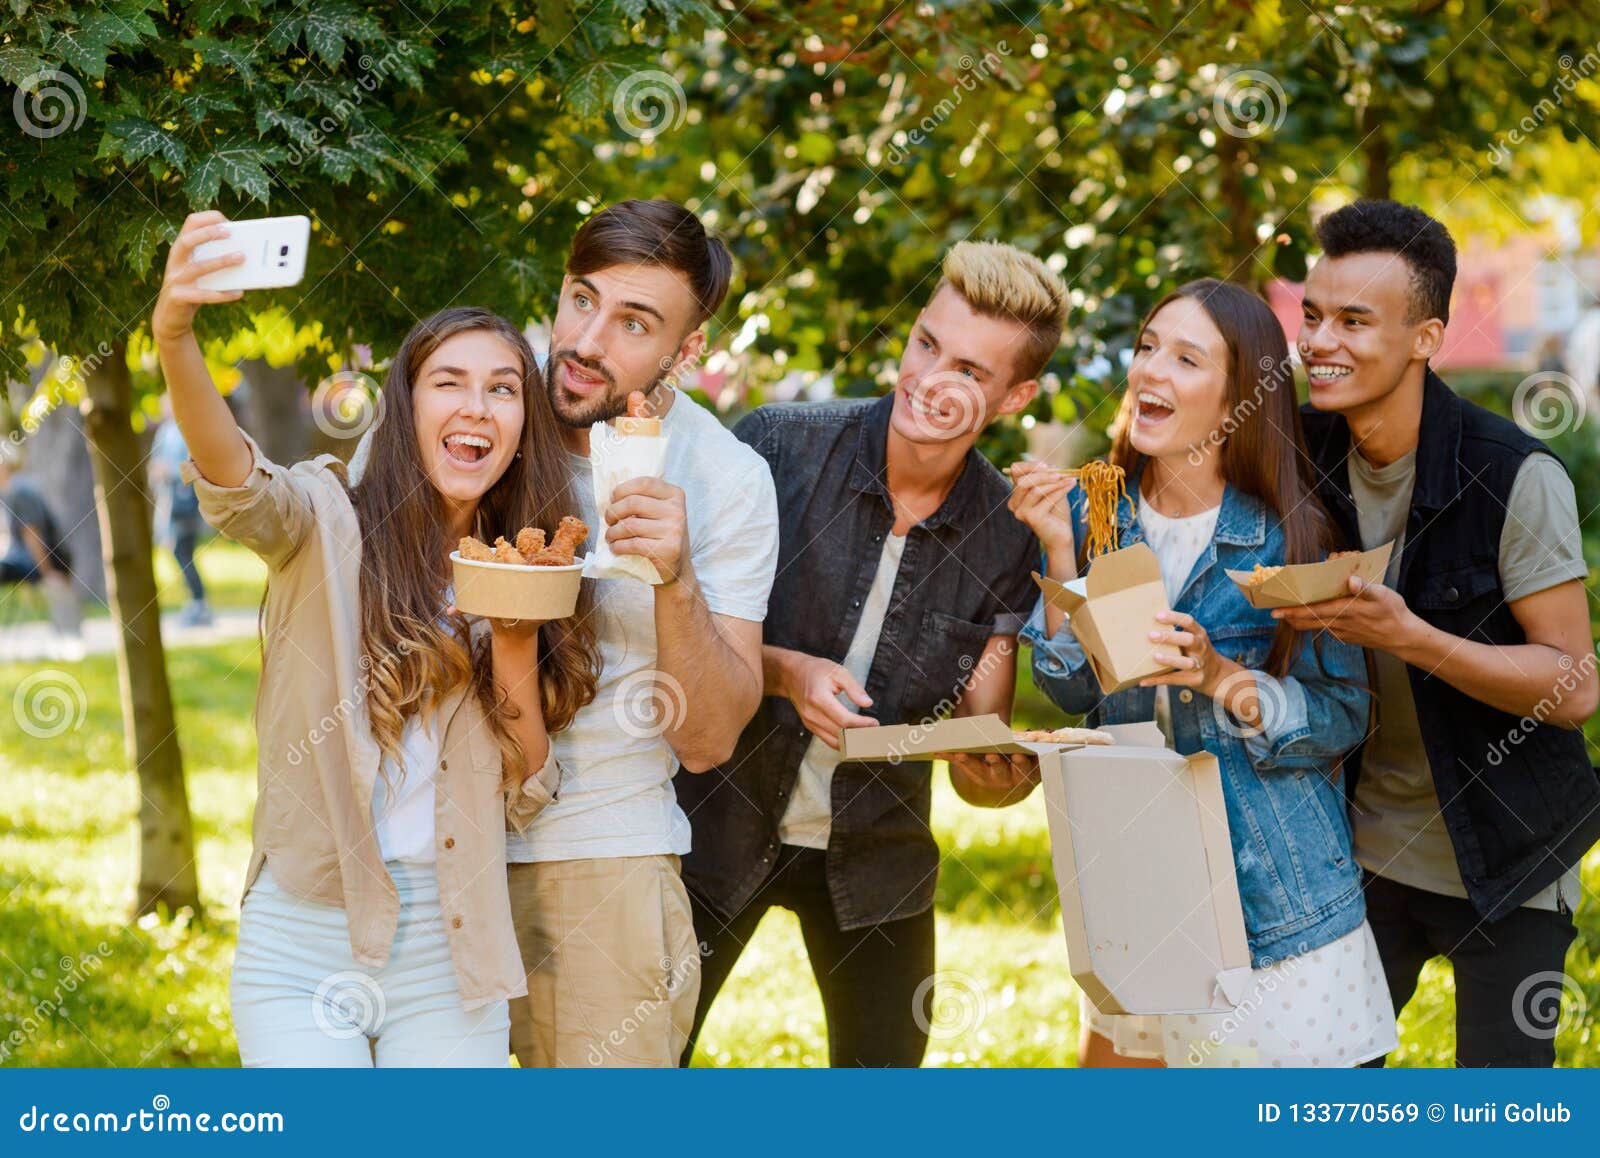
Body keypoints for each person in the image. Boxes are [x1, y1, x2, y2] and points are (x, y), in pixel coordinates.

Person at [154, 210, 600, 1066]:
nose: (477, 406)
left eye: (503, 388)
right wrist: (176, 334)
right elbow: (234, 480)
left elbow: (525, 786)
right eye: (449, 383)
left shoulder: (534, 566)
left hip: (451, 945)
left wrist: (511, 635)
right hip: (304, 937)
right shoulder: (326, 522)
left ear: (520, 427)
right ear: (406, 404)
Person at [678, 241, 1061, 1067]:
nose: (928, 380)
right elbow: (679, 625)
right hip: (712, 827)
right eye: (926, 343)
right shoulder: (777, 447)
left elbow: (976, 730)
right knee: (634, 1070)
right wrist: (788, 673)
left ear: (1015, 394)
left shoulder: (1006, 531)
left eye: (969, 369)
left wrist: (992, 771)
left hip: (877, 858)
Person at [1019, 278, 1393, 1068]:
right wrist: (1059, 550)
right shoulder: (1098, 517)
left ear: (1236, 403)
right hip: (1142, 890)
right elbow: (1072, 688)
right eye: (1149, 347)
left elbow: (1342, 717)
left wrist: (1224, 678)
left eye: (1186, 359)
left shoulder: (1293, 539)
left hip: (1273, 909)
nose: (1152, 370)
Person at [1281, 199, 1600, 1067]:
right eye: (1312, 316)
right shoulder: (1300, 455)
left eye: (1354, 321)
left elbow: (1574, 688)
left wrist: (1413, 637)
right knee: (1323, 1089)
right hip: (1361, 850)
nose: (1320, 342)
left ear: (1425, 338)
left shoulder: (1513, 475)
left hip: (1511, 853)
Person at [503, 199, 779, 1068]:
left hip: (602, 860)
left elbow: (708, 738)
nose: (586, 341)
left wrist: (678, 578)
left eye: (634, 323)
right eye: (580, 300)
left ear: (686, 350)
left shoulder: (728, 478)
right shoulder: (474, 412)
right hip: (428, 845)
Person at [0, 441, 83, 650]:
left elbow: (32, 535)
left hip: (45, 561)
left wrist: (47, 572)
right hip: (28, 559)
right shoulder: (10, 493)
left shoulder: (20, 491)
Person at [150, 395, 212, 627]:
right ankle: (196, 600)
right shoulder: (164, 431)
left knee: (182, 551)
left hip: (185, 503)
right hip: (169, 503)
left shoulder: (186, 432)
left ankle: (199, 601)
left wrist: (172, 473)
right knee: (177, 552)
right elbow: (156, 464)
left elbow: (193, 467)